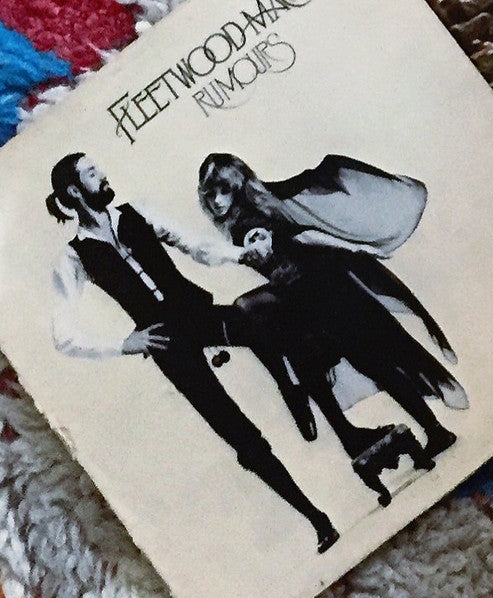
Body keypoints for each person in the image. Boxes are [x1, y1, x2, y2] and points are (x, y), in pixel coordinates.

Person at [47, 155, 339, 552]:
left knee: (257, 322)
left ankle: (291, 388)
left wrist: (239, 254)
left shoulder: (136, 213)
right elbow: (62, 334)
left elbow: (192, 244)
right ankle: (317, 519)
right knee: (237, 431)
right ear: (73, 191)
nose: (104, 175)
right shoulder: (74, 256)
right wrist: (123, 345)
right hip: (167, 344)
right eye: (93, 174)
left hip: (194, 312)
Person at [197, 154, 465, 500]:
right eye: (210, 194)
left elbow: (303, 236)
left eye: (223, 190)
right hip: (312, 298)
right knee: (377, 362)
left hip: (327, 293)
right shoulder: (244, 218)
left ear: (237, 187)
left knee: (380, 362)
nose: (217, 200)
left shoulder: (250, 219)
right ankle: (432, 429)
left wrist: (354, 245)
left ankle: (434, 429)